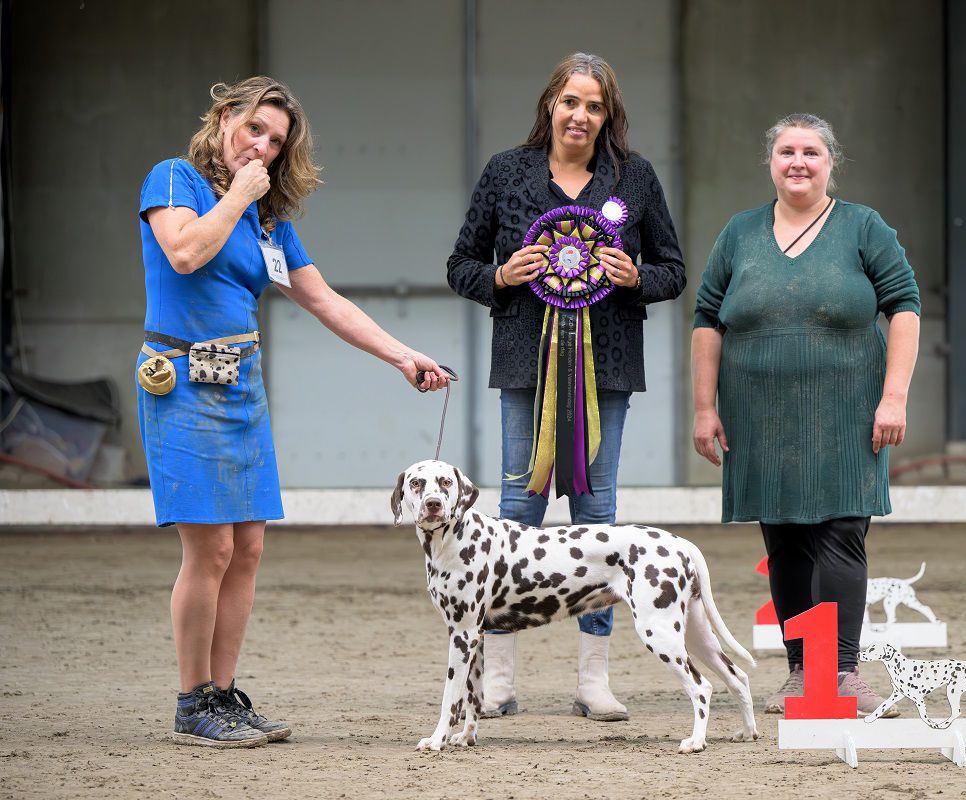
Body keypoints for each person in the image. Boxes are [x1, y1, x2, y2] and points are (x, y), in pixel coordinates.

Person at [137, 76, 450, 747]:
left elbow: (325, 301)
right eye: (255, 129)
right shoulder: (173, 180)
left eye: (275, 142)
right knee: (211, 547)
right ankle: (191, 703)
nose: (263, 147)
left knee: (247, 547)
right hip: (183, 380)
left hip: (241, 387)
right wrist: (237, 196)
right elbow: (185, 252)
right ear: (225, 117)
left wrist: (403, 356)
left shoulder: (267, 222)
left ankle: (222, 696)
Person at [447, 53, 685, 722]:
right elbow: (459, 265)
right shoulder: (506, 172)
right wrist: (500, 277)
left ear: (609, 115)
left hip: (606, 368)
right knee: (515, 515)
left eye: (595, 105)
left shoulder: (633, 178)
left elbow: (675, 270)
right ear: (550, 104)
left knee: (597, 516)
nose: (581, 115)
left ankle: (594, 681)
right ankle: (496, 679)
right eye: (570, 101)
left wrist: (635, 276)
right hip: (526, 365)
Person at [691, 113, 920, 717]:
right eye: (787, 151)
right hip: (759, 418)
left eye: (811, 152)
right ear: (771, 162)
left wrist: (893, 396)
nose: (798, 161)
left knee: (840, 534)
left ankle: (841, 674)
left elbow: (904, 308)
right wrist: (703, 407)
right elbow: (707, 319)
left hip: (848, 415)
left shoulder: (864, 227)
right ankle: (801, 675)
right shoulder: (739, 233)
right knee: (785, 538)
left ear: (830, 163)